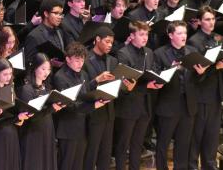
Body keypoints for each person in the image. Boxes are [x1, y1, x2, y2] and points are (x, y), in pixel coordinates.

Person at [83, 26, 135, 170]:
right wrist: (96, 80)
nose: (110, 45)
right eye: (107, 41)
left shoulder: (112, 60)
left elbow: (117, 86)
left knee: (105, 154)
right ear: (97, 40)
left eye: (112, 42)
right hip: (92, 113)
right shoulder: (85, 59)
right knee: (90, 153)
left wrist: (127, 89)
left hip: (109, 113)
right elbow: (82, 90)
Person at [114, 21, 163, 170]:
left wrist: (156, 81)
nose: (145, 37)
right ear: (132, 35)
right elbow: (126, 83)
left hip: (145, 105)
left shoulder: (149, 52)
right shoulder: (123, 53)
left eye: (147, 34)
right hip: (128, 106)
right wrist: (145, 85)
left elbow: (151, 72)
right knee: (123, 144)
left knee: (137, 143)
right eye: (141, 34)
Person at [153, 20, 202, 170]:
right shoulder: (159, 53)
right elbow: (156, 79)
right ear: (171, 35)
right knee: (163, 143)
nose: (184, 36)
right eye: (180, 33)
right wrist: (170, 69)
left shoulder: (192, 51)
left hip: (188, 105)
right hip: (168, 105)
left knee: (183, 143)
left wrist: (201, 73)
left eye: (185, 33)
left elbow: (198, 80)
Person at [187, 6, 223, 170]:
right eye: (207, 19)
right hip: (201, 95)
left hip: (216, 95)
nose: (211, 23)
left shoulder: (217, 39)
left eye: (213, 19)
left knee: (211, 138)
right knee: (197, 137)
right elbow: (196, 74)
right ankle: (192, 167)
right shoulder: (194, 41)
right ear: (199, 21)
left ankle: (210, 166)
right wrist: (216, 67)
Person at [18, 53, 64, 170]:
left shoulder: (46, 88)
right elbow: (31, 117)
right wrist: (51, 108)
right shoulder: (26, 89)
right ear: (34, 68)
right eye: (43, 69)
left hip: (47, 130)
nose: (46, 72)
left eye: (48, 69)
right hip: (33, 133)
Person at [0, 58, 31, 170]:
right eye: (5, 74)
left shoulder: (9, 88)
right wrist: (16, 118)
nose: (8, 77)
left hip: (12, 135)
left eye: (10, 74)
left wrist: (21, 118)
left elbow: (14, 110)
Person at [52, 42, 90, 170]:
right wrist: (92, 105)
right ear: (68, 59)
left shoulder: (83, 74)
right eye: (77, 60)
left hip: (82, 127)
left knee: (78, 165)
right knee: (66, 164)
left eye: (82, 60)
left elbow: (86, 95)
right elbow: (69, 105)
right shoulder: (60, 77)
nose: (80, 64)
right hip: (67, 128)